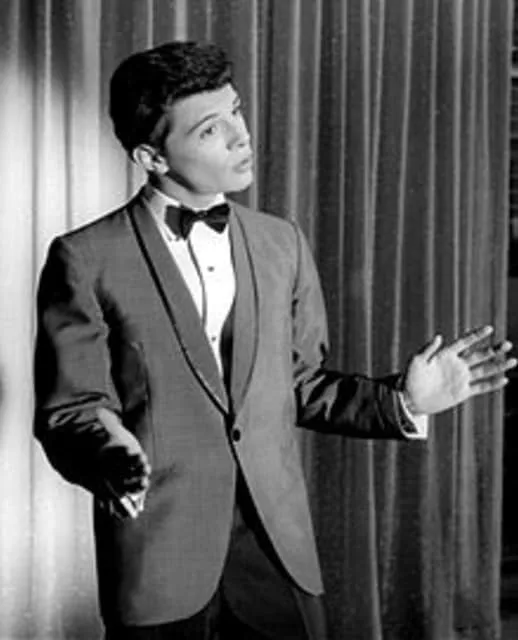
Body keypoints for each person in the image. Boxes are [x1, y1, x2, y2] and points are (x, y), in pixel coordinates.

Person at [33, 41, 515, 640]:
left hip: (278, 558)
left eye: (236, 111)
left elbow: (300, 384)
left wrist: (404, 401)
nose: (242, 136)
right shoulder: (85, 257)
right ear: (150, 157)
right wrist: (107, 456)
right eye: (211, 129)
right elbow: (71, 409)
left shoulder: (281, 242)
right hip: (160, 564)